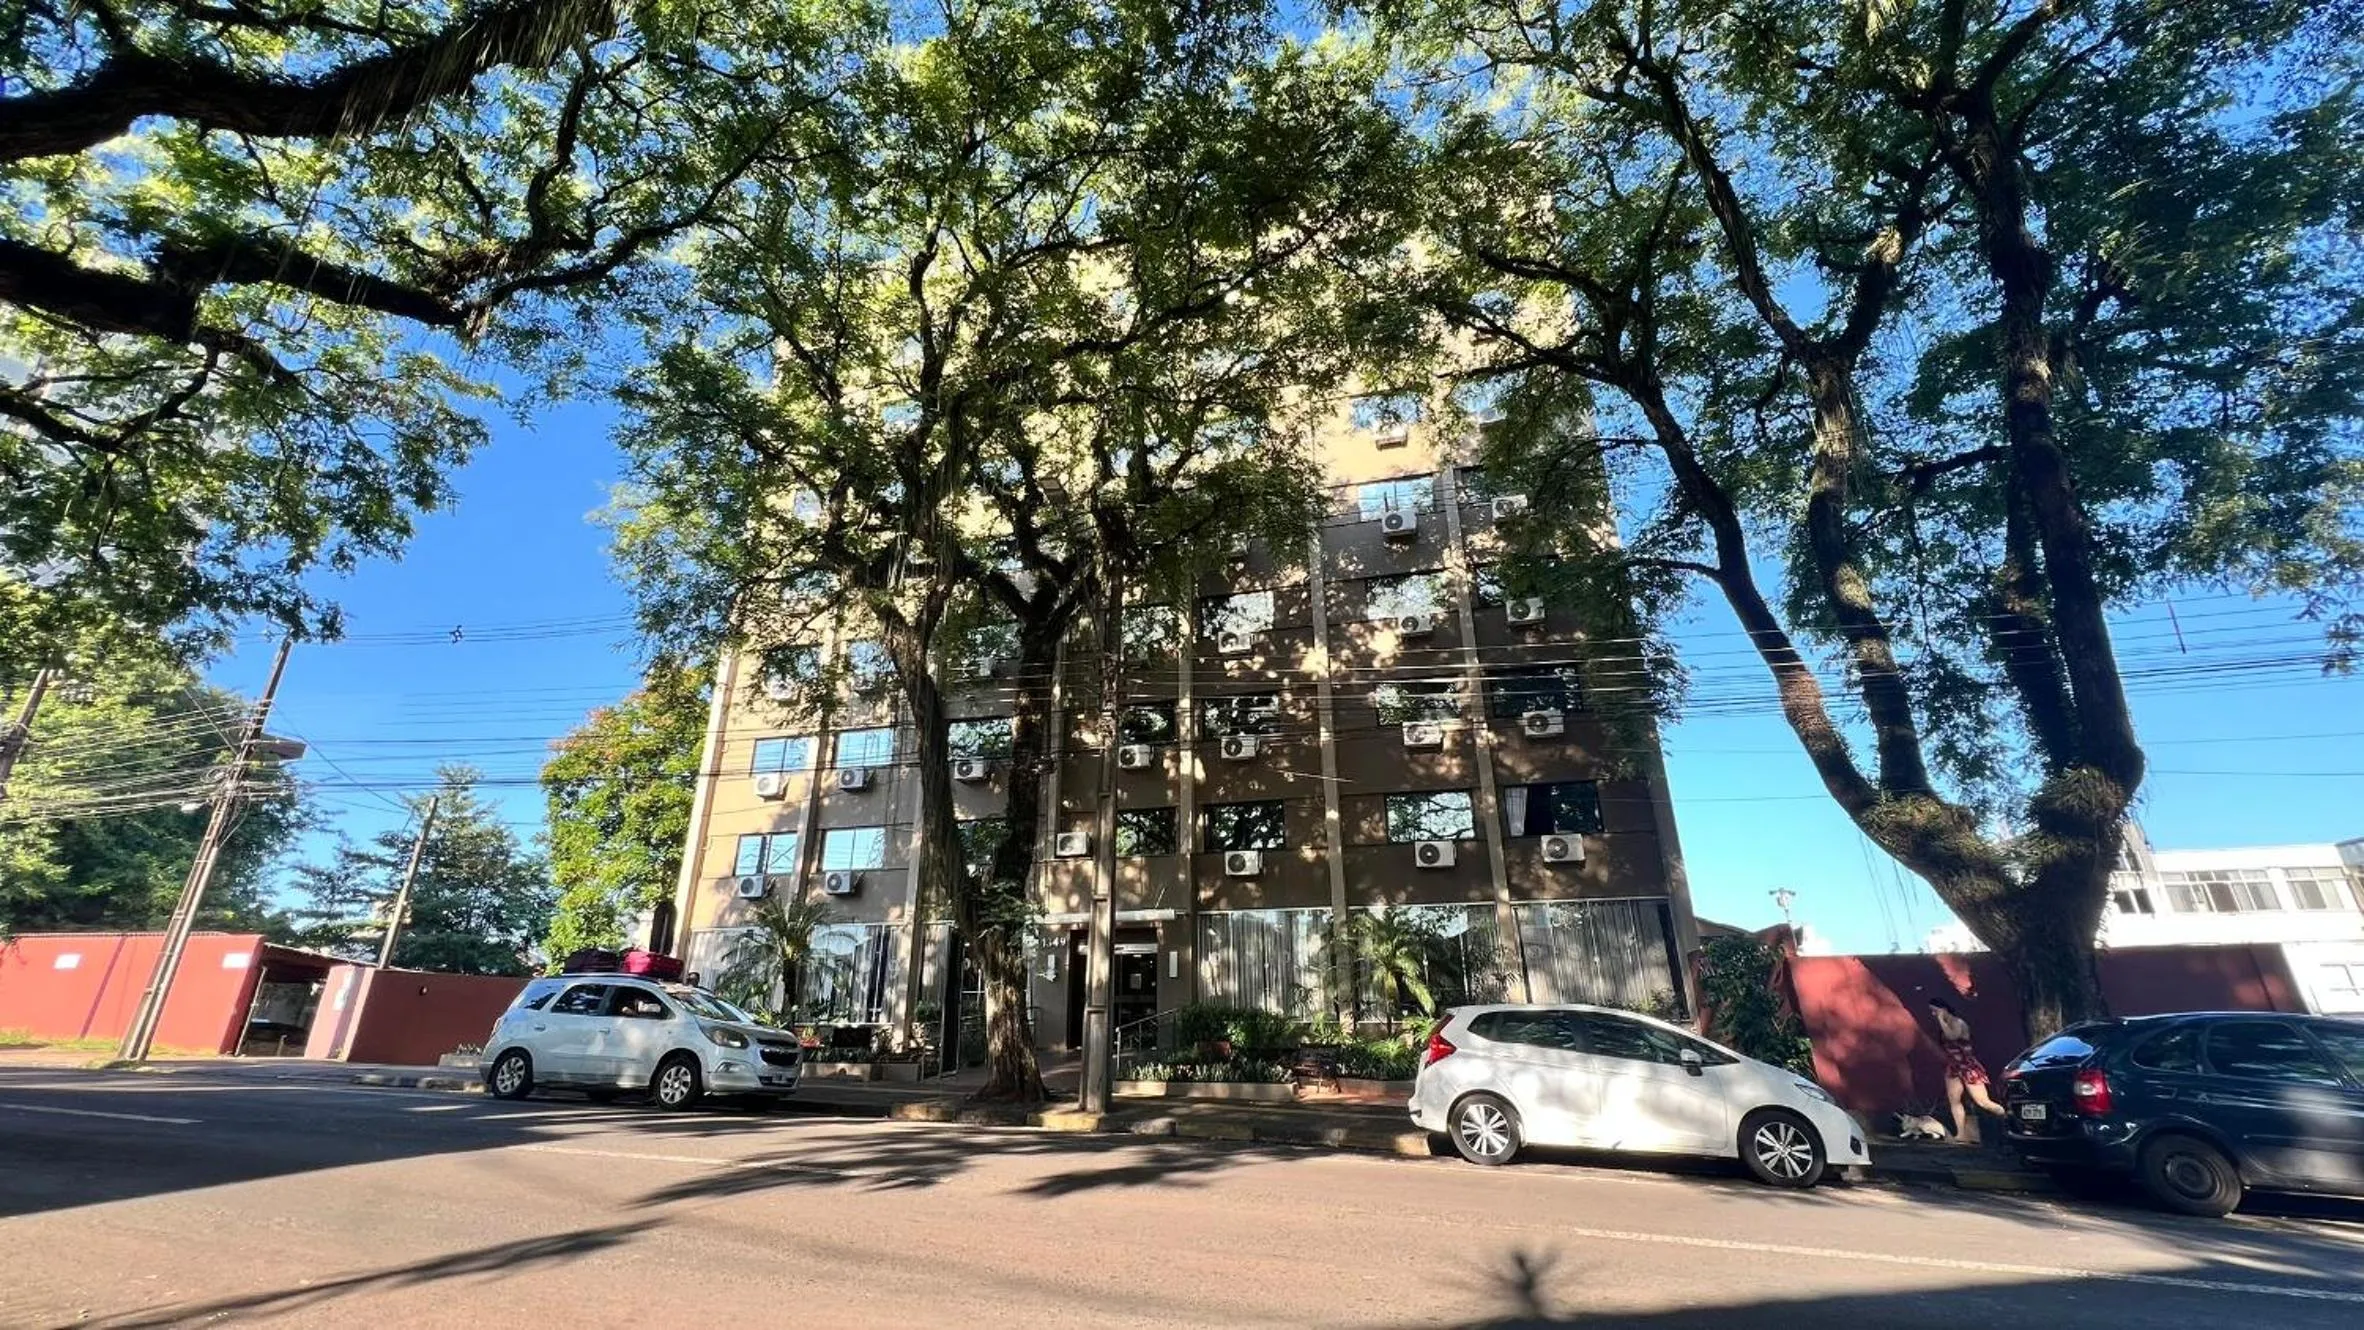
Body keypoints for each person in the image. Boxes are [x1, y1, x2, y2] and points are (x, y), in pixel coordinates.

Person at [1928, 997, 2006, 1144]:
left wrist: (1941, 1020)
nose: (1933, 1014)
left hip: (1967, 1065)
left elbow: (1953, 1036)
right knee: (1954, 1100)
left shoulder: (1958, 1023)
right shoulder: (1944, 1025)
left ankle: (2008, 1119)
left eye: (1935, 1011)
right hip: (1953, 1066)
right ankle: (1961, 1133)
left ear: (1944, 1009)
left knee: (1982, 1101)